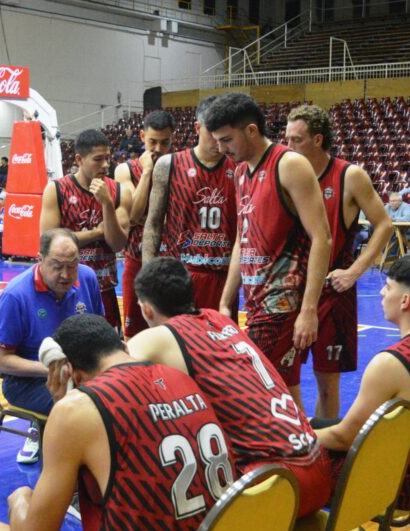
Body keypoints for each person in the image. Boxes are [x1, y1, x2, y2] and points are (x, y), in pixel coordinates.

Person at [0, 313, 234, 531]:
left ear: (68, 373)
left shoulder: (78, 409)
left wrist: (20, 500)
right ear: (122, 344)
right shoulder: (181, 378)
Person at [128, 257, 332, 519]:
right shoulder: (219, 319)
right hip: (318, 468)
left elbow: (109, 377)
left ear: (146, 310)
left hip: (276, 483)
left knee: (157, 468)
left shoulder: (158, 337)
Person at [204, 92, 332, 407]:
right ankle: (306, 452)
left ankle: (297, 452)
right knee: (283, 390)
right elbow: (241, 240)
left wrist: (309, 310)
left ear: (251, 130)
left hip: (283, 302)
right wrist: (224, 302)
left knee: (260, 389)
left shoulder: (290, 165)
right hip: (256, 300)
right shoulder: (239, 172)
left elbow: (322, 238)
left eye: (226, 140)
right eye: (217, 141)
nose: (221, 149)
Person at [314, 254, 410, 531]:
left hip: (388, 488)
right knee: (320, 422)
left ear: (405, 300)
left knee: (292, 457)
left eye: (387, 288)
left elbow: (345, 438)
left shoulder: (391, 363)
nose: (380, 295)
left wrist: (297, 437)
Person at [285, 104, 392, 418]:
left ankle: (326, 456)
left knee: (327, 385)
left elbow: (384, 225)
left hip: (332, 294)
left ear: (318, 140)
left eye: (296, 140)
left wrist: (355, 271)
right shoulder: (285, 173)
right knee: (282, 378)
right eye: (286, 139)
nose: (287, 146)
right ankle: (301, 446)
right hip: (291, 289)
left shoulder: (349, 176)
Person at [0, 228, 103, 463]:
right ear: (40, 259)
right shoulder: (15, 296)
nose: (65, 274)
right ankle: (69, 481)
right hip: (27, 381)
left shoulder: (88, 278)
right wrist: (55, 370)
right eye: (57, 265)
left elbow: (99, 331)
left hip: (80, 371)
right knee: (84, 407)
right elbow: (1, 361)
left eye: (72, 265)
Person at [142, 96, 238, 312]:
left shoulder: (240, 168)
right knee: (179, 344)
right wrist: (148, 277)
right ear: (197, 128)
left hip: (223, 277)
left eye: (223, 134)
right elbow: (154, 223)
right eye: (211, 132)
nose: (217, 140)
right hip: (180, 276)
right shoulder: (169, 165)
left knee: (219, 344)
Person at [39, 129, 131, 331]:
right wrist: (97, 233)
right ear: (79, 159)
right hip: (66, 289)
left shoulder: (119, 191)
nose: (106, 165)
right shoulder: (56, 190)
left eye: (107, 158)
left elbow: (117, 243)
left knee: (107, 355)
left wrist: (107, 204)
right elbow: (48, 241)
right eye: (98, 159)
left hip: (104, 287)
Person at [114, 110, 175, 338]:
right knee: (134, 334)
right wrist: (148, 171)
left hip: (170, 262)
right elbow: (133, 215)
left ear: (173, 139)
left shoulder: (179, 166)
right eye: (152, 142)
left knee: (172, 331)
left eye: (165, 142)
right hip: (137, 260)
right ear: (141, 136)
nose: (158, 149)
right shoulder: (125, 169)